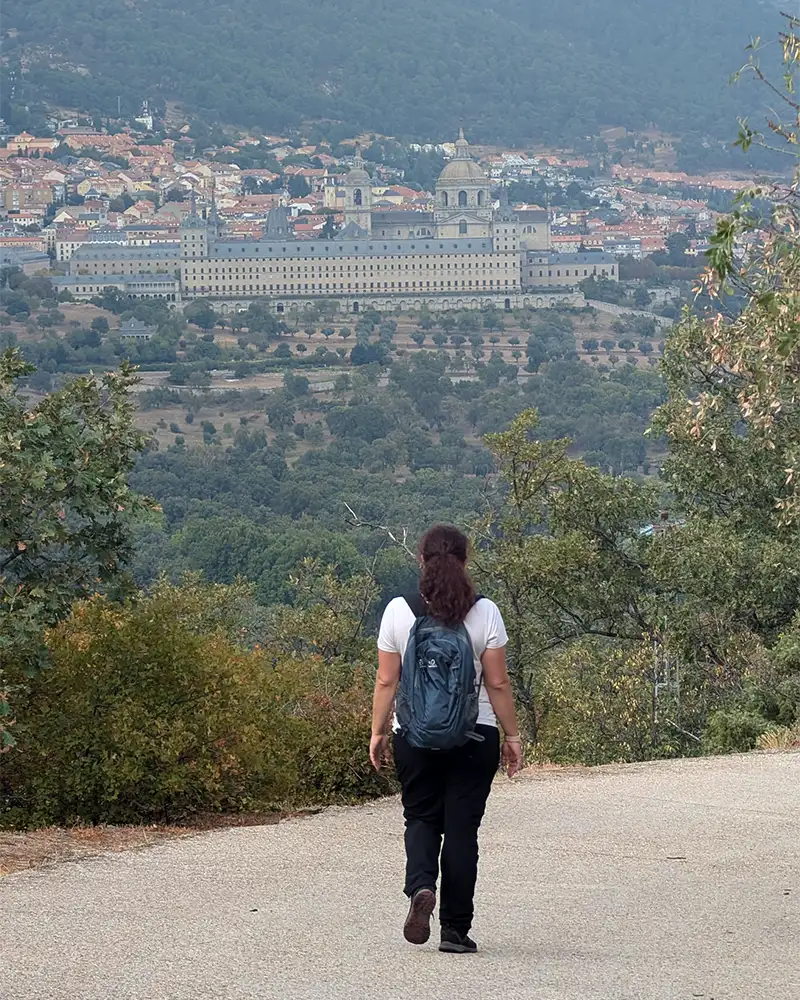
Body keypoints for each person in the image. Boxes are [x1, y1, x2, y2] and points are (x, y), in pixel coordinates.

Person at [370, 524, 521, 954]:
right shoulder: (485, 612)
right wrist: (512, 736)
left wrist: (379, 732)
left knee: (420, 818)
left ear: (421, 560)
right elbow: (498, 683)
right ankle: (455, 929)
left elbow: (386, 680)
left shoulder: (399, 610)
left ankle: (421, 887)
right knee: (461, 831)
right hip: (476, 736)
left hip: (414, 736)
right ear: (465, 562)